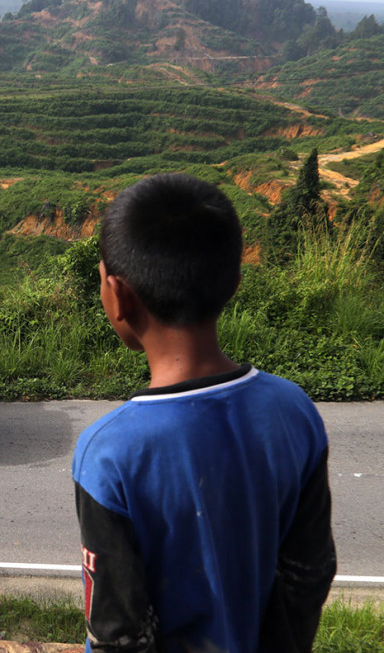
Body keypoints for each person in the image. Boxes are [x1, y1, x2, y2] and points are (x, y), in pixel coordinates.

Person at [72, 173, 335, 653]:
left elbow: (119, 634)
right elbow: (309, 573)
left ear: (118, 295)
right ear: (234, 281)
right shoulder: (295, 411)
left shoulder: (108, 452)